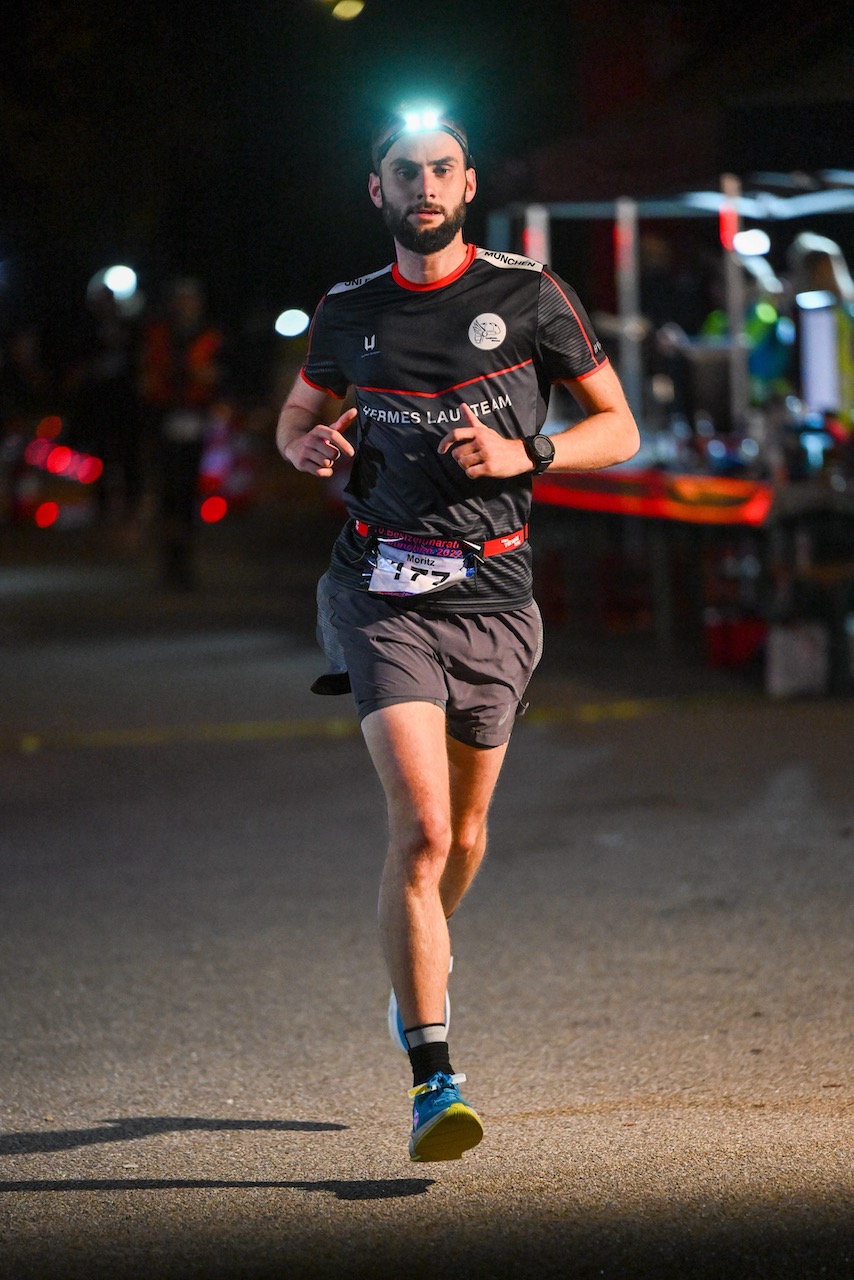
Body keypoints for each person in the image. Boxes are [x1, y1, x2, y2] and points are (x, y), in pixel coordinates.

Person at [276, 104, 639, 1163]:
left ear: (468, 183)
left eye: (442, 168)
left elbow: (616, 426)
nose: (424, 185)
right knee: (423, 830)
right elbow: (296, 424)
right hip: (380, 589)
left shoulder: (528, 295)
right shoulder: (347, 311)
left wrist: (528, 453)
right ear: (376, 191)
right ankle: (433, 1072)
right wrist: (305, 450)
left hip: (493, 593)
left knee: (465, 839)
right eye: (404, 171)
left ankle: (414, 972)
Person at [140, 278, 225, 588]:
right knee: (169, 491)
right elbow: (148, 375)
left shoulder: (208, 335)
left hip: (194, 418)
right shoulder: (159, 335)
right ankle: (169, 560)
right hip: (165, 419)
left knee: (189, 492)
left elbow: (216, 374)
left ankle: (184, 559)